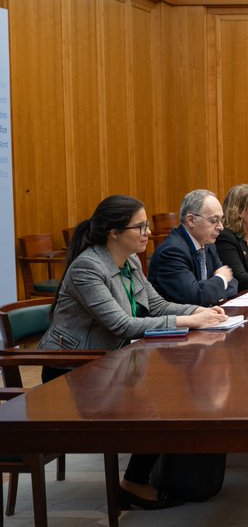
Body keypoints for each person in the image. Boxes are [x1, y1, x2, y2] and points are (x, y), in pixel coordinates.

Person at [37, 195, 227, 510]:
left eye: (146, 225)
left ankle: (141, 478)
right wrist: (189, 319)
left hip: (111, 363)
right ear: (114, 232)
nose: (146, 233)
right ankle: (133, 483)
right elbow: (121, 324)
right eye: (138, 227)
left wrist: (201, 310)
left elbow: (157, 305)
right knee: (165, 399)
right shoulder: (88, 267)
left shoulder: (131, 262)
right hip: (71, 372)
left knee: (177, 393)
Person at [148, 189, 239, 307]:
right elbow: (194, 297)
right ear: (191, 220)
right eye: (213, 221)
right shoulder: (172, 251)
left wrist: (212, 288)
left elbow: (232, 284)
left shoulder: (208, 245)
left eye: (221, 220)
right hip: (177, 323)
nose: (221, 227)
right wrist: (220, 279)